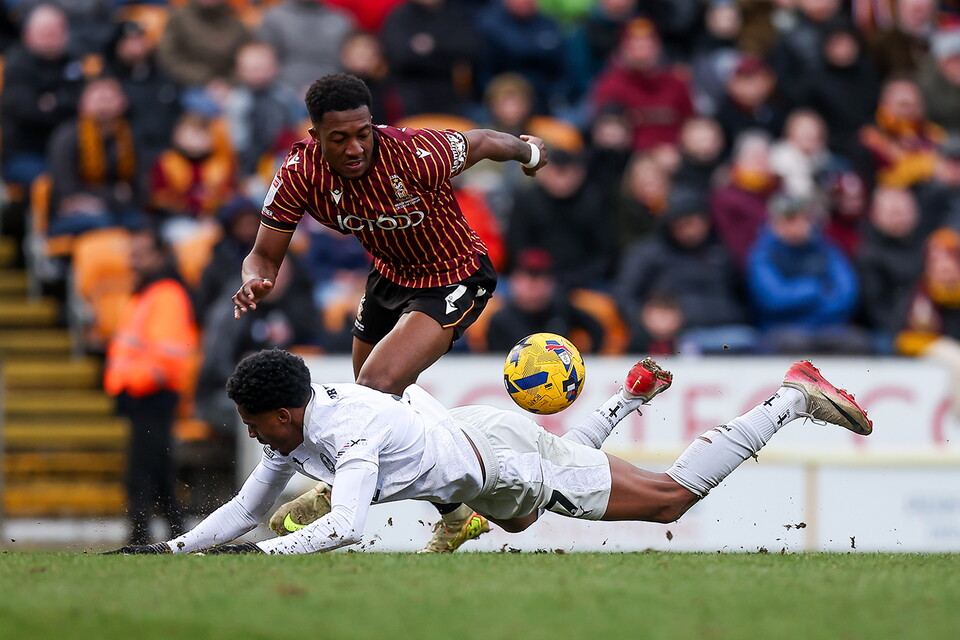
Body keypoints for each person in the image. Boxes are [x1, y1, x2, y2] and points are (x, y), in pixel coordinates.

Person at [103, 347, 871, 555]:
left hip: (492, 457)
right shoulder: (304, 423)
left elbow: (345, 529)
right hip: (474, 443)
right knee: (520, 512)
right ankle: (625, 400)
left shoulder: (346, 433)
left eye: (252, 420)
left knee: (670, 498)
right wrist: (173, 551)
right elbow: (243, 509)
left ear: (284, 411)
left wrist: (257, 559)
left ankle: (790, 397)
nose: (248, 434)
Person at [231, 72, 549, 553]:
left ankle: (336, 495)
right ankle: (456, 513)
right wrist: (255, 278)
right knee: (368, 402)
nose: (356, 147)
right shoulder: (299, 173)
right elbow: (263, 253)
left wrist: (530, 154)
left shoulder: (415, 153)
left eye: (363, 133)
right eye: (340, 138)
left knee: (377, 387)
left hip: (453, 274)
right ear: (315, 135)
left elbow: (483, 141)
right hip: (389, 280)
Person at [103, 227, 199, 545]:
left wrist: (135, 384)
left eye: (140, 253)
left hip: (151, 395)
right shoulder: (151, 292)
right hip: (143, 395)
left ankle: (144, 532)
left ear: (159, 255)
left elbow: (168, 356)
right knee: (157, 470)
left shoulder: (165, 293)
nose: (133, 260)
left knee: (145, 472)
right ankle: (173, 530)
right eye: (132, 252)